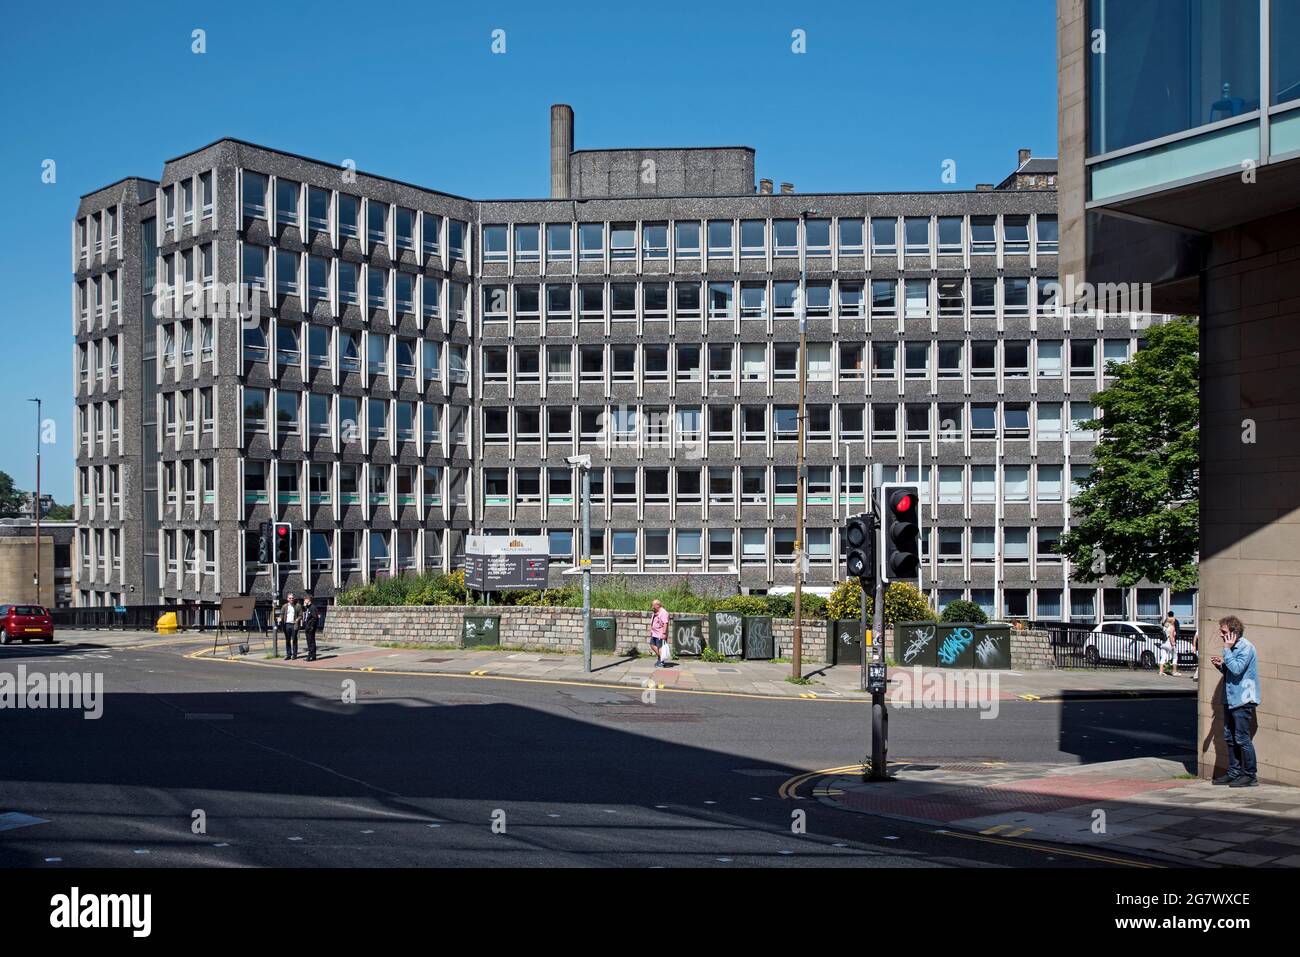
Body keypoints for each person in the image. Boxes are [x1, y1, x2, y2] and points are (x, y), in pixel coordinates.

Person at [1210, 615, 1260, 788]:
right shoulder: (1233, 648)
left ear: (1234, 632)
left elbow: (1238, 669)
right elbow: (1232, 672)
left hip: (1243, 700)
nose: (1221, 634)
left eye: (1224, 631)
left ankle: (1250, 775)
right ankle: (1234, 772)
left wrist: (1226, 650)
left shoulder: (1246, 647)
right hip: (1231, 699)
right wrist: (1221, 666)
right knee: (1229, 737)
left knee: (1242, 738)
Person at [649, 599, 670, 667]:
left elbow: (665, 623)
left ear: (657, 605)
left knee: (660, 648)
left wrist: (664, 633)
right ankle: (661, 658)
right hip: (655, 633)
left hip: (660, 634)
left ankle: (661, 662)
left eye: (653, 605)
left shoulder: (663, 612)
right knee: (652, 645)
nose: (652, 607)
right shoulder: (656, 611)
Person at [280, 593, 299, 660]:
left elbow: (300, 615)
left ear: (294, 599)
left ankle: (294, 655)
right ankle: (288, 654)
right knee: (287, 640)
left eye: (292, 598)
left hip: (294, 624)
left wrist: (297, 619)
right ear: (287, 599)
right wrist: (280, 618)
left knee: (294, 640)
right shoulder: (284, 606)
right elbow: (281, 614)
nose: (291, 599)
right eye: (290, 598)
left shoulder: (297, 606)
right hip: (287, 624)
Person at [301, 595, 319, 662]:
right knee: (311, 642)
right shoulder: (308, 607)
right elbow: (304, 611)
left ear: (308, 600)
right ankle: (313, 656)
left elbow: (315, 618)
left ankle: (310, 656)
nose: (304, 601)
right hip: (308, 627)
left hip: (310, 628)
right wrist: (305, 605)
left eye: (305, 599)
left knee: (310, 642)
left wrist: (311, 627)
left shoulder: (312, 607)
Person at [1164, 611, 1182, 677]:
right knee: (1175, 657)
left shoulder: (1166, 622)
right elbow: (1177, 631)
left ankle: (1161, 670)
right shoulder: (1175, 622)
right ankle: (1174, 671)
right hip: (1172, 642)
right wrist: (1174, 641)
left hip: (1164, 642)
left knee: (1164, 656)